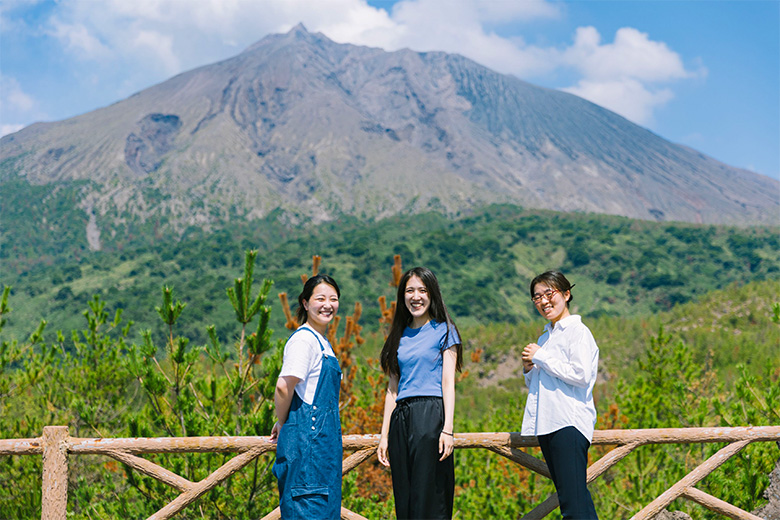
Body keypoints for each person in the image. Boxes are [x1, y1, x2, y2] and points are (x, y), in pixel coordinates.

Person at [377, 266, 463, 520]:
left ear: (432, 294)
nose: (416, 296)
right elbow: (392, 389)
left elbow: (448, 382)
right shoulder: (397, 336)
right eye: (410, 290)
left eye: (422, 290)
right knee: (405, 496)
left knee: (430, 495)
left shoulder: (445, 330)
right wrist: (384, 436)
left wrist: (447, 429)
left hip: (430, 415)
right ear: (402, 297)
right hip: (400, 418)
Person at [521, 271, 599, 520]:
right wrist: (529, 369)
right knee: (575, 499)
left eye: (549, 294)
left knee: (572, 506)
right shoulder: (545, 337)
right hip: (548, 423)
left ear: (566, 294)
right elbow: (542, 383)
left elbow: (581, 375)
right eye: (537, 297)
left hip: (569, 423)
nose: (543, 301)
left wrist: (540, 356)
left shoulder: (578, 332)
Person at [271, 274, 342, 520]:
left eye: (333, 299)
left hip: (322, 453)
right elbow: (283, 387)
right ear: (305, 303)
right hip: (308, 452)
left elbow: (302, 393)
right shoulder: (303, 340)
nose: (327, 305)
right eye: (320, 298)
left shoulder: (322, 342)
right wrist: (284, 422)